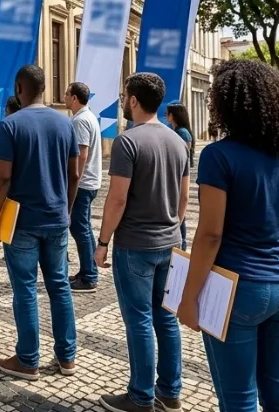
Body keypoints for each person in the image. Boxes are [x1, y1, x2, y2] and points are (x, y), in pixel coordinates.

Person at [178, 59, 279, 412]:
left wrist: (189, 298)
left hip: (237, 290)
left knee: (238, 400)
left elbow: (210, 234)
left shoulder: (218, 156)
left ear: (226, 105)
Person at [95, 72, 189, 412]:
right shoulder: (178, 141)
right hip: (170, 241)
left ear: (134, 100)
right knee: (165, 318)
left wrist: (103, 241)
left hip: (136, 244)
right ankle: (169, 391)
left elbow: (117, 199)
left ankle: (140, 396)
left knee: (138, 320)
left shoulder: (128, 141)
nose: (122, 101)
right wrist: (172, 228)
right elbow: (183, 199)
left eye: (124, 95)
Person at [0, 65, 80, 381]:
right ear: (44, 89)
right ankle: (67, 357)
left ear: (18, 88)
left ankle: (28, 360)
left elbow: (2, 177)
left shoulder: (10, 125)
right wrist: (66, 210)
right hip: (56, 219)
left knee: (25, 289)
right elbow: (75, 174)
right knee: (60, 286)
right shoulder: (65, 124)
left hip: (22, 220)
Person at [66, 81, 102, 293]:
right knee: (82, 227)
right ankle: (85, 271)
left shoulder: (80, 121)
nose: (64, 96)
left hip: (83, 183)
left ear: (75, 97)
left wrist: (74, 179)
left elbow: (82, 154)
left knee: (81, 229)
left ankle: (89, 275)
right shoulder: (88, 117)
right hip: (89, 181)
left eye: (67, 94)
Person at [165, 103, 195, 249]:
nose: (165, 116)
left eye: (167, 113)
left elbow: (183, 158)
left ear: (173, 115)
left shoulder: (182, 133)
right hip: (176, 177)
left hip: (178, 178)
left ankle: (181, 245)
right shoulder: (177, 131)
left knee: (179, 214)